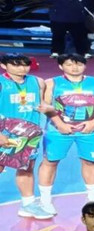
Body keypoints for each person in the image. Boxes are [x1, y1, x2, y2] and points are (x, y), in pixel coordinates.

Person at [38, 54, 94, 217]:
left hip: (91, 129)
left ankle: (92, 200)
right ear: (61, 66)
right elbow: (45, 105)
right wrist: (59, 124)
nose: (75, 68)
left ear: (85, 65)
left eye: (79, 64)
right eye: (69, 64)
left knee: (90, 161)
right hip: (58, 130)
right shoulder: (51, 83)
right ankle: (45, 201)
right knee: (50, 162)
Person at [0, 54, 45, 219]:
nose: (22, 68)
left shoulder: (37, 82)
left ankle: (28, 205)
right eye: (16, 65)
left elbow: (43, 104)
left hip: (29, 135)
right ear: (4, 66)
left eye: (25, 65)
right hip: (5, 133)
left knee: (26, 167)